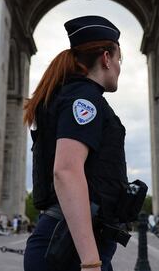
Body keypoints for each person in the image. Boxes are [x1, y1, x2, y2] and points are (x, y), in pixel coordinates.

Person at [23, 15, 140, 271]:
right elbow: (66, 171)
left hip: (68, 243)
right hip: (70, 251)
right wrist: (90, 262)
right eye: (120, 59)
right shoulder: (83, 99)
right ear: (106, 58)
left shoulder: (72, 94)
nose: (120, 67)